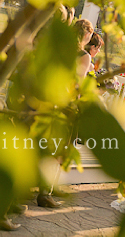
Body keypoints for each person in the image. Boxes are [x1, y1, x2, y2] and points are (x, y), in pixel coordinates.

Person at [37, 18, 100, 209]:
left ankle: (48, 187)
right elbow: (76, 85)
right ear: (87, 35)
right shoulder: (83, 56)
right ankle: (45, 192)